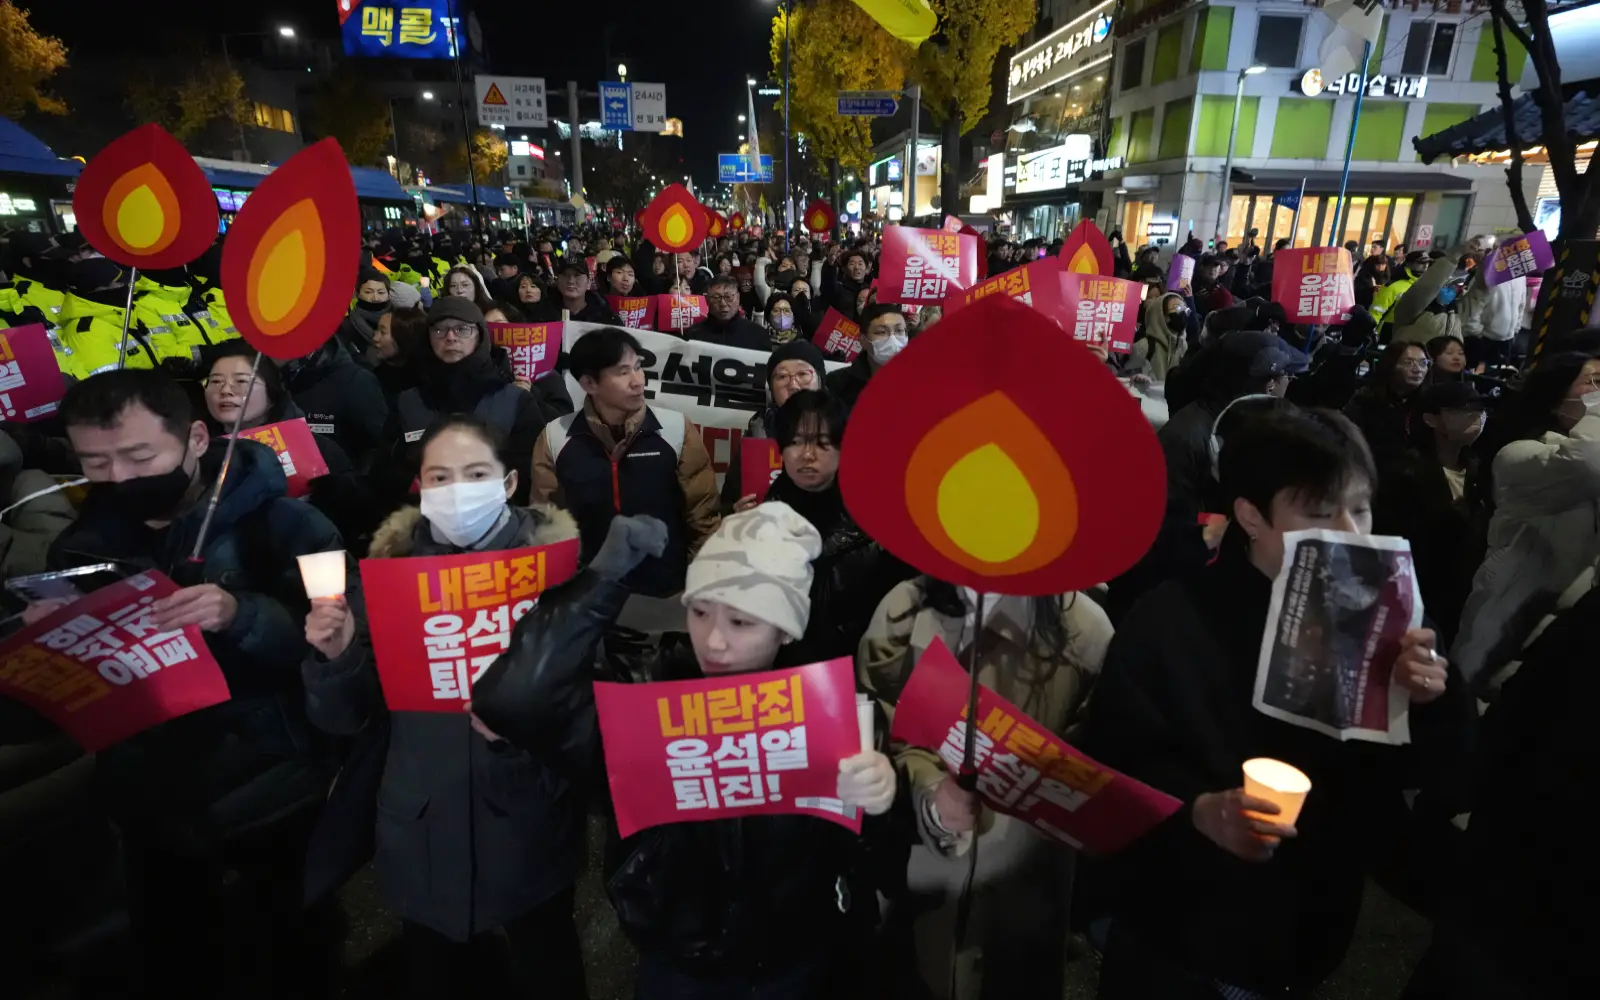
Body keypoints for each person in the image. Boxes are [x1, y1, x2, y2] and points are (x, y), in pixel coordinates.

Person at [1085, 406, 1472, 999]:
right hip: (1180, 933)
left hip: (1310, 928)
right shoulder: (1169, 621)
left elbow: (1430, 774)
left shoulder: (1388, 620)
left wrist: (1429, 697)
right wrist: (1199, 811)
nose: (1352, 532)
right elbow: (1114, 763)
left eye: (1362, 508)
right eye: (1320, 513)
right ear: (1250, 515)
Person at [470, 503, 899, 999]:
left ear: (786, 630)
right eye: (699, 612)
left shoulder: (833, 710)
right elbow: (514, 696)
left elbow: (874, 860)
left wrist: (881, 800)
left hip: (793, 961)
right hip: (676, 960)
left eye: (741, 623)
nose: (714, 641)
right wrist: (602, 581)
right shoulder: (645, 690)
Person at [43, 368, 348, 997]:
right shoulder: (79, 549)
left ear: (197, 440)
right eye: (96, 462)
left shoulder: (293, 527)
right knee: (177, 957)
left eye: (139, 455)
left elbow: (336, 643)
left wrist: (243, 616)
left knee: (292, 951)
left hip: (274, 786)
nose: (120, 479)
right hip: (150, 800)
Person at [300, 416, 588, 999]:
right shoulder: (385, 576)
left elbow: (582, 705)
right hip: (422, 819)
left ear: (507, 483)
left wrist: (524, 718)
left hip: (529, 811)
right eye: (440, 477)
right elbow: (344, 719)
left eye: (475, 474)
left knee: (546, 962)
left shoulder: (555, 573)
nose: (458, 490)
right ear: (422, 488)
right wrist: (336, 658)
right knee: (437, 972)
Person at [858, 555, 1114, 1000]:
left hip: (1024, 888)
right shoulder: (903, 609)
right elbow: (878, 725)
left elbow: (1098, 761)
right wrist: (929, 792)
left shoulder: (1087, 632)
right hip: (922, 880)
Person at [531, 326, 719, 597]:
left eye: (639, 367)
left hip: (667, 593)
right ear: (589, 384)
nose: (638, 380)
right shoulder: (554, 438)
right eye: (623, 372)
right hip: (589, 598)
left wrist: (704, 583)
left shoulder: (675, 429)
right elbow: (547, 528)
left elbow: (703, 517)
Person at [1452, 353, 1600, 695]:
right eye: (1594, 383)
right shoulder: (1519, 456)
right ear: (1554, 400)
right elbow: (1587, 464)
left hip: (1567, 644)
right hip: (1506, 639)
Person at [764, 390, 913, 663]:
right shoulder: (767, 514)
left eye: (822, 443)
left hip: (869, 662)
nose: (807, 455)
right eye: (796, 442)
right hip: (794, 670)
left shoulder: (882, 514)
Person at [386, 297, 553, 505]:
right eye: (439, 330)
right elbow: (387, 474)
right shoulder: (408, 401)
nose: (450, 337)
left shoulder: (515, 401)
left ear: (480, 335)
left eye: (462, 329)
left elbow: (530, 476)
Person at [1373, 381, 1487, 645]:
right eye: (1464, 409)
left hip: (1462, 590)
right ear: (1431, 419)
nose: (1477, 417)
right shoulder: (1404, 472)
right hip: (1420, 590)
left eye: (1480, 410)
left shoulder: (1478, 468)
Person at [1158, 330, 1305, 521]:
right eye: (1289, 376)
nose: (1289, 383)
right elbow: (1171, 525)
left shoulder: (1240, 426)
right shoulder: (1187, 438)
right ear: (1270, 384)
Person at [720, 341, 826, 516]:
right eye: (782, 377)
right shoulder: (758, 433)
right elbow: (728, 501)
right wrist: (736, 514)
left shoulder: (846, 432)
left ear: (820, 381)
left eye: (802, 374)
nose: (793, 385)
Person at [1343, 341, 1430, 474]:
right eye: (1408, 362)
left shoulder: (1428, 404)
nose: (1418, 369)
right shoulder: (1365, 402)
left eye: (1423, 363)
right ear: (1390, 365)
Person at [826, 303, 907, 408]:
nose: (893, 340)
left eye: (899, 331)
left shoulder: (921, 383)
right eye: (882, 332)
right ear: (863, 340)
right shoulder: (838, 385)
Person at [1459, 247, 1528, 370]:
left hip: (1507, 339)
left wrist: (1515, 329)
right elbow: (1474, 306)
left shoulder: (1520, 276)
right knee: (1474, 373)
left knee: (1497, 375)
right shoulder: (1487, 276)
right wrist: (1477, 333)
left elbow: (1521, 304)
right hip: (1484, 339)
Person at [682, 275, 770, 351]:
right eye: (716, 297)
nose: (723, 304)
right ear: (707, 300)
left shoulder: (758, 335)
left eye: (728, 297)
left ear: (738, 298)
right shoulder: (693, 336)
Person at [370, 305, 429, 410]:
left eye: (383, 332)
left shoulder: (426, 385)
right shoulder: (376, 377)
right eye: (376, 329)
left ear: (405, 337)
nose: (375, 338)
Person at [527, 259, 621, 324]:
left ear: (589, 283)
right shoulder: (542, 314)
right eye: (565, 275)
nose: (571, 281)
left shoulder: (605, 315)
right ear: (557, 280)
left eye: (577, 275)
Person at [1131, 292, 1189, 381]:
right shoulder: (1142, 347)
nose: (1183, 313)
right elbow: (1128, 380)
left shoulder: (1182, 345)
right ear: (1163, 315)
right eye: (1178, 308)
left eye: (1185, 309)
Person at [336, 269, 391, 360]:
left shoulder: (401, 317)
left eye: (381, 292)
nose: (375, 298)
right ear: (357, 294)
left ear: (389, 294)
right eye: (368, 292)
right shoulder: (346, 326)